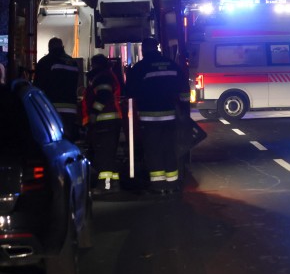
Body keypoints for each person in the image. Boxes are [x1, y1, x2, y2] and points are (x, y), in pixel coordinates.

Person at [127, 38, 190, 194]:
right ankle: (172, 184)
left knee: (153, 150)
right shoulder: (172, 65)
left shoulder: (140, 68)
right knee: (169, 148)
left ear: (144, 49)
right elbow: (184, 89)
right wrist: (183, 108)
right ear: (157, 48)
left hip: (149, 118)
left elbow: (129, 92)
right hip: (170, 116)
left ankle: (158, 185)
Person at [81, 54, 123, 194]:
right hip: (110, 121)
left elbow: (104, 95)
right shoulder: (106, 75)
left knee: (103, 155)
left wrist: (93, 112)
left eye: (93, 65)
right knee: (109, 154)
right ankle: (113, 183)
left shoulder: (103, 77)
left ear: (97, 65)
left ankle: (105, 186)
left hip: (105, 121)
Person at [33, 37, 80, 141]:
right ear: (62, 47)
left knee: (53, 139)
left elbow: (38, 86)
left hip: (52, 107)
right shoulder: (73, 62)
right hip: (71, 107)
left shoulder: (45, 61)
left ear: (49, 48)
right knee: (68, 138)